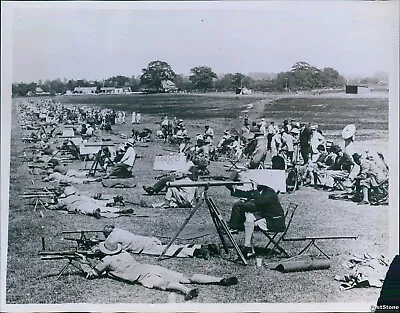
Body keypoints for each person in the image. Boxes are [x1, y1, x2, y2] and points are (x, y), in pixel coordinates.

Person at [75, 241, 238, 301]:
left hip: (142, 276)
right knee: (186, 276)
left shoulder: (106, 261)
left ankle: (187, 291)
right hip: (149, 267)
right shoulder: (123, 253)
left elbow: (93, 274)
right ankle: (219, 280)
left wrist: (82, 262)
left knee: (165, 285)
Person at [226, 173, 285, 258]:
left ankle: (248, 247)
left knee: (250, 220)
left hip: (274, 221)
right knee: (249, 217)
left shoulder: (269, 192)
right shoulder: (261, 191)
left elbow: (260, 201)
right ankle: (248, 247)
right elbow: (247, 194)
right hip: (267, 217)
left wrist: (255, 188)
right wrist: (233, 190)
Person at [101, 225, 220, 259]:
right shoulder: (119, 230)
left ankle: (197, 251)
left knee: (170, 251)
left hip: (142, 246)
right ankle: (202, 245)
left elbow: (110, 248)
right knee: (172, 246)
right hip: (146, 239)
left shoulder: (111, 238)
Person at [49, 186, 131, 218]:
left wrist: (49, 206)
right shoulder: (77, 196)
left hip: (79, 206)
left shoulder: (65, 200)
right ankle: (119, 210)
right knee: (103, 208)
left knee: (86, 210)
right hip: (86, 202)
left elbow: (57, 206)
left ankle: (94, 212)